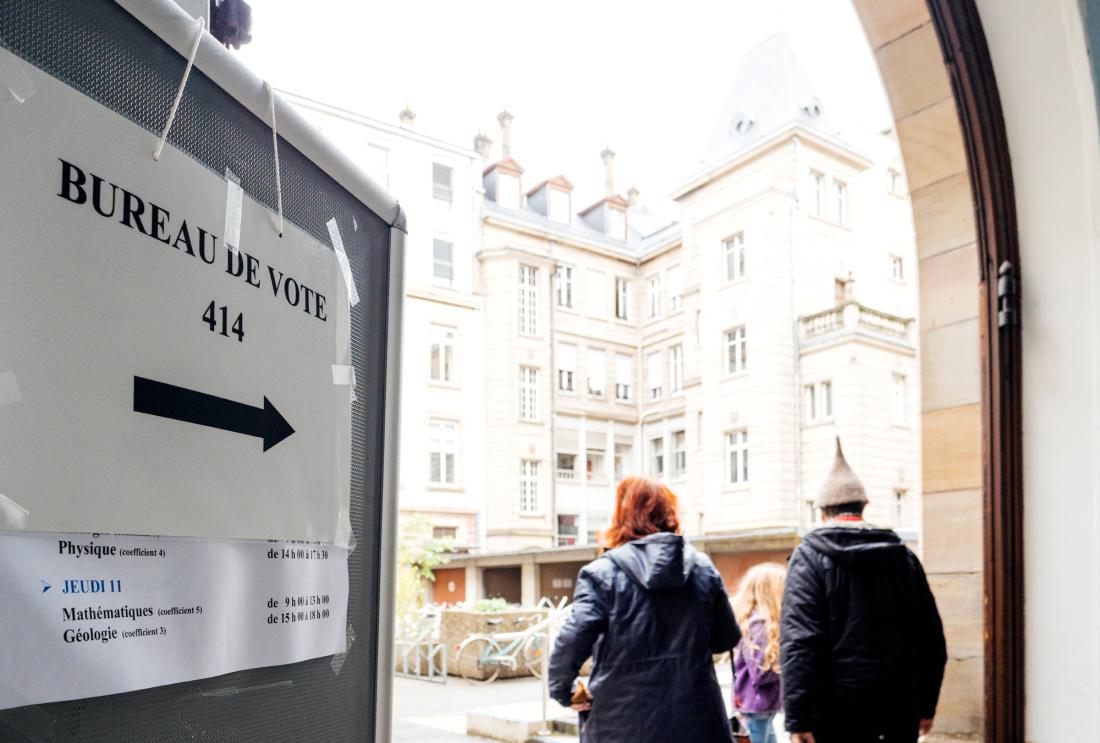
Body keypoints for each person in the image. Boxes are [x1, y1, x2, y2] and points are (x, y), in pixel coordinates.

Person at [548, 477, 740, 742]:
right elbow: (726, 639)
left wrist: (564, 691)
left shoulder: (602, 574)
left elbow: (570, 641)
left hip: (621, 723)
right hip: (697, 720)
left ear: (622, 516)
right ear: (671, 514)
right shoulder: (703, 569)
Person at [781, 439, 948, 743]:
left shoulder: (808, 559)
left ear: (823, 512)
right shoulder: (903, 558)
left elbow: (801, 642)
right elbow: (932, 640)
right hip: (898, 709)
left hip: (834, 714)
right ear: (862, 507)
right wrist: (926, 705)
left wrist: (798, 719)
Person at [731, 562, 786, 743]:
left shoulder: (755, 620)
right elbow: (761, 673)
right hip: (756, 706)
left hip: (759, 706)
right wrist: (790, 665)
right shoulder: (759, 623)